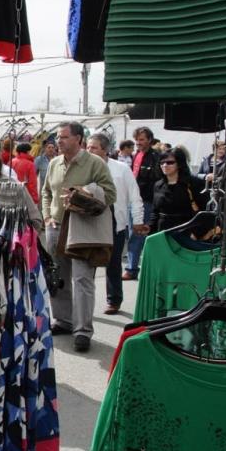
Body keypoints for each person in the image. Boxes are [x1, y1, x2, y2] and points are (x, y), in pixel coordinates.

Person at [41, 122, 117, 352]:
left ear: (78, 139)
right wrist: (47, 217)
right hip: (55, 227)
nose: (58, 141)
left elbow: (110, 194)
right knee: (58, 277)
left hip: (82, 229)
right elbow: (46, 192)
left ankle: (83, 330)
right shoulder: (53, 163)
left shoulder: (95, 163)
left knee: (83, 279)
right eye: (57, 137)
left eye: (64, 137)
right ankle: (63, 320)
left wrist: (87, 191)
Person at [86, 133, 146, 315]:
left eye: (93, 147)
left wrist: (138, 221)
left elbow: (134, 197)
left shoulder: (121, 169)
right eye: (87, 147)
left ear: (105, 150)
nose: (89, 151)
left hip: (115, 223)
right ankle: (85, 303)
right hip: (89, 222)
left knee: (113, 264)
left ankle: (114, 300)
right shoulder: (83, 169)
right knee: (87, 265)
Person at [124, 126, 161, 280]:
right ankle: (133, 267)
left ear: (149, 140)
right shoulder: (136, 155)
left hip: (147, 201)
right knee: (134, 234)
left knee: (141, 234)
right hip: (134, 200)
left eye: (142, 140)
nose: (138, 143)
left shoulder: (156, 157)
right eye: (137, 140)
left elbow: (157, 180)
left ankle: (134, 268)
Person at [151, 147, 208, 233]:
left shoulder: (193, 183)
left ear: (179, 164)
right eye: (162, 163)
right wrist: (151, 229)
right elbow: (155, 212)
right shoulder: (158, 185)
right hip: (162, 232)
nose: (165, 165)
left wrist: (196, 233)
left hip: (186, 231)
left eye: (170, 162)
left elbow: (204, 211)